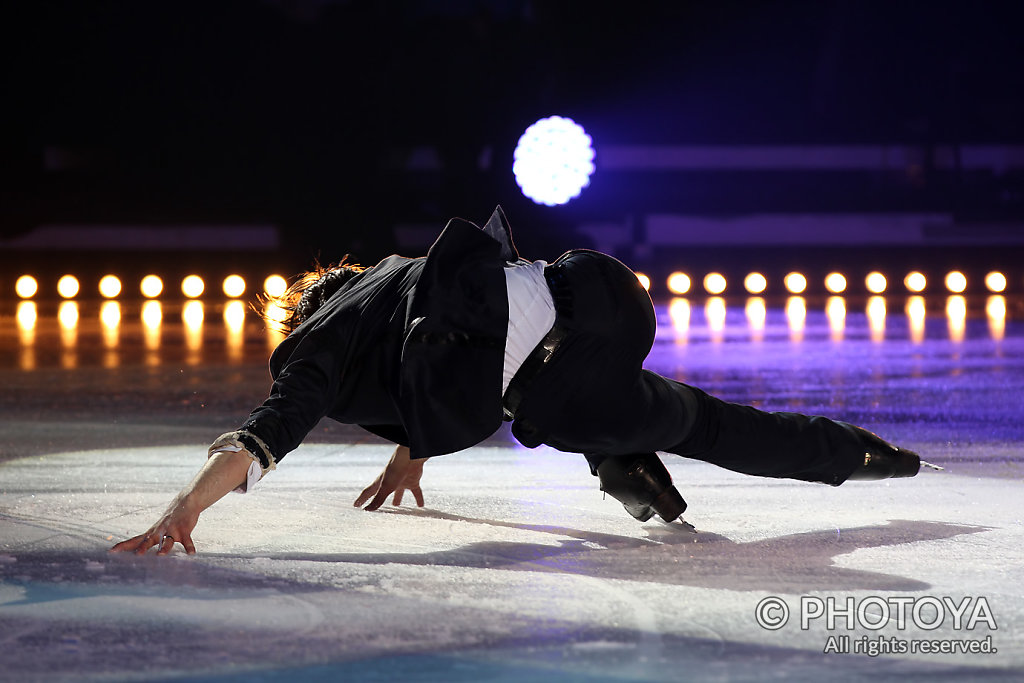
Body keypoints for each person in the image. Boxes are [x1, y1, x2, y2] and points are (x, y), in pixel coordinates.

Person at [112, 207, 929, 556]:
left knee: (693, 425)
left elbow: (265, 433)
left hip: (570, 390)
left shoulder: (316, 346)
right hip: (600, 286)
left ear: (304, 319)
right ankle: (870, 452)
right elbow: (438, 337)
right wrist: (413, 449)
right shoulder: (396, 279)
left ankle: (628, 463)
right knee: (679, 419)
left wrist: (186, 505)